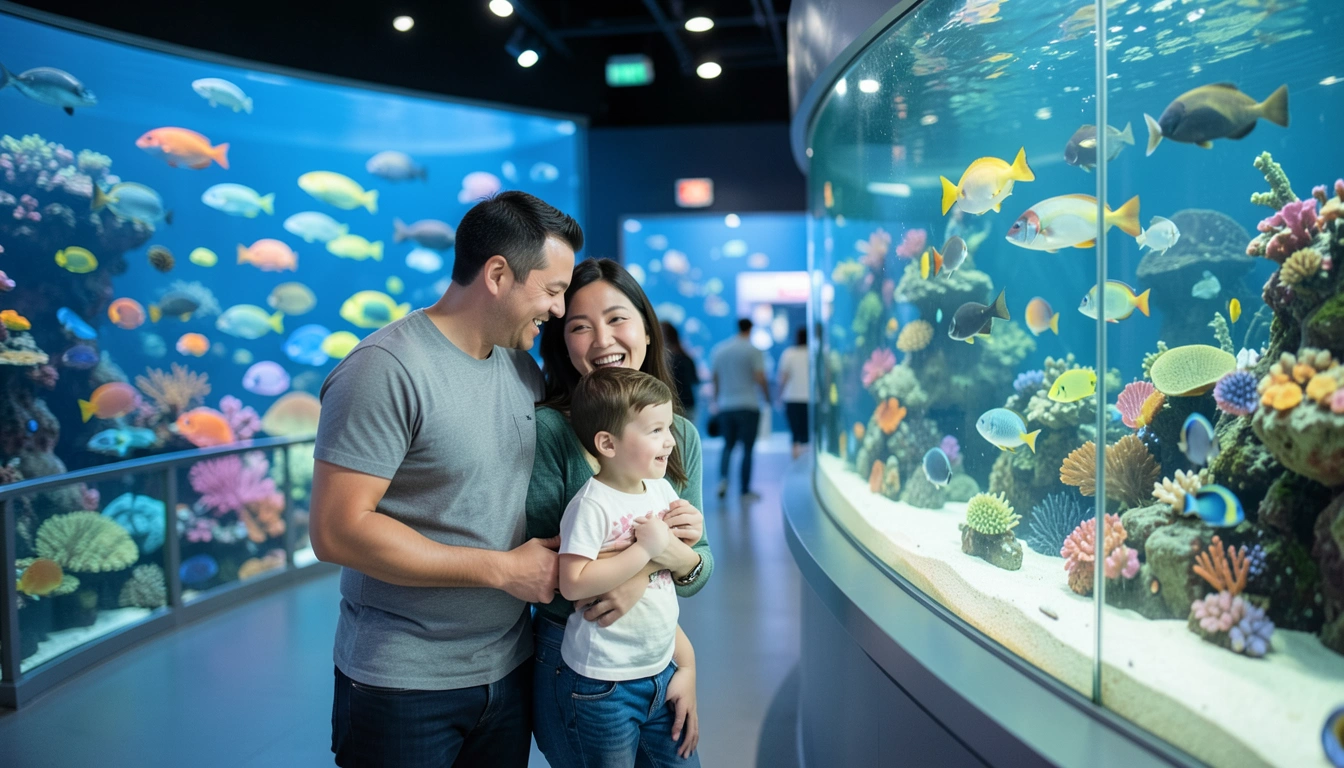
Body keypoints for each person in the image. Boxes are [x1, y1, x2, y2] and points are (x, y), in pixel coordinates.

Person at [309, 191, 582, 768]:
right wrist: (502, 570)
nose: (558, 311)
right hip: (402, 681)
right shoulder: (385, 369)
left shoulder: (521, 367)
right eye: (553, 291)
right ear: (498, 274)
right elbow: (336, 532)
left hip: (507, 670)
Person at [528, 257, 713, 768]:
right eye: (579, 326)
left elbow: (697, 569)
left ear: (647, 331)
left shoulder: (679, 435)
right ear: (564, 343)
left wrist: (685, 658)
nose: (601, 339)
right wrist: (661, 554)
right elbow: (553, 566)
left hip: (661, 653)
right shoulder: (550, 432)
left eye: (616, 318)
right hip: (579, 660)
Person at [554, 367, 702, 764]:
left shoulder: (660, 489)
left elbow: (672, 572)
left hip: (663, 667)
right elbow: (572, 584)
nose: (670, 441)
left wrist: (685, 668)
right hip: (603, 686)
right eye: (655, 430)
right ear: (608, 443)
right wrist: (645, 551)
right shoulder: (592, 505)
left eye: (668, 427)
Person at [710, 318, 770, 499]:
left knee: (727, 445)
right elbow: (760, 377)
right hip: (749, 405)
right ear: (750, 329)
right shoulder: (753, 350)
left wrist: (716, 401)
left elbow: (715, 379)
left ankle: (723, 481)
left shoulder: (720, 350)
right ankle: (744, 489)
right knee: (747, 449)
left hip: (726, 405)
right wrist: (767, 397)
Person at [777, 327, 811, 459]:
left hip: (792, 398)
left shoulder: (789, 354)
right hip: (812, 400)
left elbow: (783, 378)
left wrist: (778, 397)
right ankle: (807, 463)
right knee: (808, 434)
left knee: (795, 434)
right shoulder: (814, 353)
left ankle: (796, 462)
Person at [661, 321, 700, 425]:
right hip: (689, 404)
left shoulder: (665, 361)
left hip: (670, 406)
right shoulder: (686, 357)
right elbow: (695, 380)